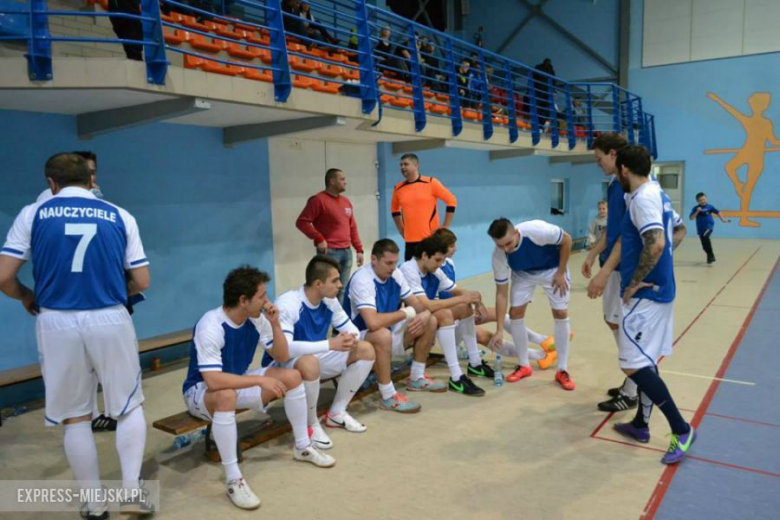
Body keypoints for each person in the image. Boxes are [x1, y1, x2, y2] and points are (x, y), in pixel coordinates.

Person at [0, 153, 154, 518]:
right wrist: (113, 291)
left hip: (56, 321)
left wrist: (26, 296)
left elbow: (4, 275)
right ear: (91, 180)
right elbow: (143, 280)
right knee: (128, 404)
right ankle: (132, 493)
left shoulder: (32, 214)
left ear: (51, 183)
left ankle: (94, 504)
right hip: (109, 318)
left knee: (75, 416)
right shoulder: (119, 214)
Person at [183, 266, 335, 510]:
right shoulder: (211, 325)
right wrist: (259, 380)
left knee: (293, 376)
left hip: (237, 381)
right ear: (243, 300)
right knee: (225, 395)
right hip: (201, 392)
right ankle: (234, 479)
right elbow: (213, 380)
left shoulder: (257, 319)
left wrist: (275, 325)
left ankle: (302, 446)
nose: (267, 301)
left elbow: (282, 354)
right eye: (262, 296)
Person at [583, 133, 686, 412]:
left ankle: (634, 388)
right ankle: (635, 390)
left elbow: (656, 238)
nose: (598, 163)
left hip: (628, 275)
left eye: (599, 158)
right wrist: (593, 254)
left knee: (632, 346)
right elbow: (616, 230)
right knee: (614, 323)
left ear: (616, 157)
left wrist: (608, 272)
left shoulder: (637, 193)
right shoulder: (621, 186)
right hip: (623, 270)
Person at [611, 145, 696, 465]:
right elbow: (678, 228)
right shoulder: (655, 192)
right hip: (659, 291)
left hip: (646, 296)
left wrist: (635, 281)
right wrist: (662, 263)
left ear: (623, 170)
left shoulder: (643, 198)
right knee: (645, 361)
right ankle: (641, 424)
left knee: (632, 365)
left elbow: (658, 242)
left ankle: (682, 428)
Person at [267, 255, 375, 449]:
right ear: (318, 284)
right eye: (335, 280)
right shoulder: (288, 303)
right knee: (310, 362)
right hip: (283, 364)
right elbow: (286, 349)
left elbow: (353, 331)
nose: (340, 284)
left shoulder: (329, 300)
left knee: (365, 349)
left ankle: (337, 413)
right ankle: (310, 424)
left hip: (315, 357)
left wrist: (350, 339)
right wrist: (330, 345)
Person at [432, 228, 559, 369]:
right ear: (441, 248)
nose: (456, 249)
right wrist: (463, 311)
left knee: (497, 314)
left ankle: (544, 340)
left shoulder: (448, 263)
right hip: (446, 324)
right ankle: (541, 355)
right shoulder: (434, 270)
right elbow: (437, 306)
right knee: (485, 336)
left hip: (456, 314)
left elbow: (455, 291)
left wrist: (475, 304)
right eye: (451, 246)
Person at [343, 239, 442, 413]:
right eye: (388, 263)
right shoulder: (362, 279)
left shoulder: (395, 274)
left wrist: (425, 313)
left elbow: (416, 305)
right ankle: (387, 396)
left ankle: (417, 377)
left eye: (395, 263)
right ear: (373, 259)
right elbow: (372, 323)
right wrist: (408, 313)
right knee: (382, 334)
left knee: (431, 321)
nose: (392, 267)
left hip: (387, 332)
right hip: (357, 338)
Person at [486, 217, 575, 390]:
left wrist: (561, 272)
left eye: (508, 243)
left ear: (516, 233)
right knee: (515, 314)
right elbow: (501, 294)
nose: (506, 249)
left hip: (552, 270)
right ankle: (524, 365)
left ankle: (562, 370)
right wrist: (498, 329)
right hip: (523, 274)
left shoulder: (537, 231)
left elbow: (567, 240)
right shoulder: (499, 255)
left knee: (560, 313)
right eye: (500, 245)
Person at [398, 235, 488, 396]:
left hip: (424, 316)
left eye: (442, 260)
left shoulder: (434, 270)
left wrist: (474, 298)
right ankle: (456, 376)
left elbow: (457, 290)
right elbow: (425, 305)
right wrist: (463, 297)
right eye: (438, 260)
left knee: (465, 307)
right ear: (425, 255)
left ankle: (475, 363)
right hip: (404, 321)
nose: (440, 265)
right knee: (446, 313)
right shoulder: (408, 269)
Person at [296, 168, 364, 304]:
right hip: (330, 252)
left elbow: (352, 227)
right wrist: (319, 238)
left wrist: (359, 249)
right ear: (332, 181)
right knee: (326, 290)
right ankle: (323, 320)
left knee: (341, 289)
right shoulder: (318, 200)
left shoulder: (346, 201)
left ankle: (337, 324)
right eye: (342, 179)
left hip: (346, 251)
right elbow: (302, 222)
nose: (346, 182)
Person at [391, 153, 457, 261]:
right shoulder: (398, 189)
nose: (402, 167)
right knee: (411, 275)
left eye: (406, 164)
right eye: (401, 165)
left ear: (416, 166)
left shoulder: (431, 183)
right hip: (410, 242)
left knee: (431, 274)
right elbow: (394, 210)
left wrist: (445, 226)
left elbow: (451, 201)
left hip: (430, 240)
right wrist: (401, 230)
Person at [689, 192, 730, 265]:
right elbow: (691, 218)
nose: (703, 201)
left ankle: (711, 255)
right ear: (697, 201)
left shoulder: (710, 207)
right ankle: (709, 257)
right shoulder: (695, 208)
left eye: (704, 199)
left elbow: (717, 212)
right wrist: (697, 212)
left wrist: (723, 220)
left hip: (709, 226)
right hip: (700, 228)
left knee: (705, 236)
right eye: (700, 200)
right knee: (704, 246)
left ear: (706, 199)